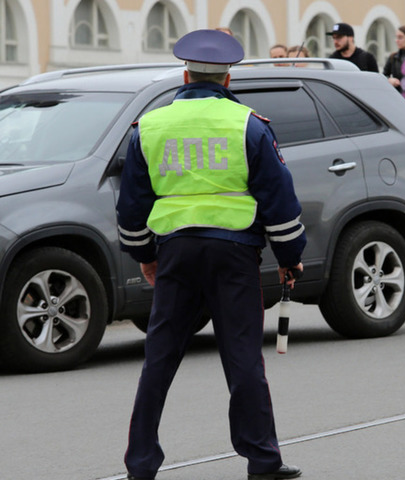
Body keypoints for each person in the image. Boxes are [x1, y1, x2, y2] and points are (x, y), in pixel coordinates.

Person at [116, 29, 305, 480]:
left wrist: (145, 255)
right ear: (227, 80)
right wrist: (289, 256)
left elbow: (130, 208)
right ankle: (262, 460)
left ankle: (140, 464)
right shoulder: (249, 125)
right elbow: (280, 201)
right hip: (235, 254)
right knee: (243, 360)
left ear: (185, 75)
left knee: (159, 360)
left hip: (175, 253)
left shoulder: (150, 127)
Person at [383, 25, 405, 101]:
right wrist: (389, 80)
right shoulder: (393, 57)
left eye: (400, 37)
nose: (397, 40)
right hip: (398, 100)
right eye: (396, 37)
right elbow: (383, 76)